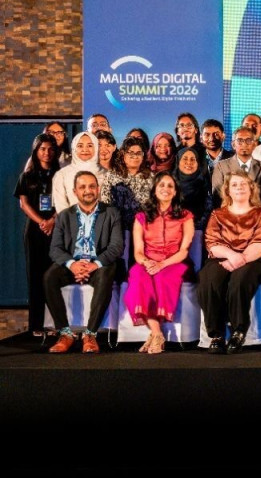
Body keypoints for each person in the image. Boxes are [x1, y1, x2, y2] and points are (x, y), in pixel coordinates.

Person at [44, 171, 124, 353]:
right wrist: (72, 265)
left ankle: (90, 334)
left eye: (91, 186)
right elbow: (55, 249)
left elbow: (116, 247)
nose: (88, 190)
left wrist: (94, 265)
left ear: (98, 189)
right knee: (49, 277)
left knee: (108, 270)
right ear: (75, 191)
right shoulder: (64, 216)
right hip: (73, 264)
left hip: (98, 265)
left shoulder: (112, 213)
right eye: (82, 187)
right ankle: (65, 334)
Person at [199, 172, 261, 354]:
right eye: (234, 185)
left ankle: (238, 332)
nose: (239, 187)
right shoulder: (217, 214)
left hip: (252, 259)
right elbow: (212, 242)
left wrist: (239, 260)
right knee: (209, 278)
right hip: (222, 257)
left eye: (243, 184)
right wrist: (231, 256)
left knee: (239, 280)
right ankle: (216, 334)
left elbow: (260, 243)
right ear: (228, 191)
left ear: (251, 189)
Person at [123, 172, 195, 355]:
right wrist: (147, 263)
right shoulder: (141, 217)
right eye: (161, 185)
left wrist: (162, 264)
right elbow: (138, 251)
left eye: (170, 186)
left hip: (175, 261)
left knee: (162, 278)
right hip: (147, 261)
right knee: (138, 276)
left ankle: (154, 335)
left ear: (175, 192)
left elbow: (184, 251)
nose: (166, 189)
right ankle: (157, 333)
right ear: (154, 189)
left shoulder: (186, 216)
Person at [14, 133, 60, 333]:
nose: (46, 152)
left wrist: (52, 221)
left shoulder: (60, 174)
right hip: (34, 230)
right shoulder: (27, 176)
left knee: (53, 276)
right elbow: (24, 204)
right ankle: (36, 325)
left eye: (50, 149)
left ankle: (56, 324)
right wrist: (42, 222)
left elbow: (66, 202)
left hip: (56, 229)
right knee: (35, 276)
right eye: (42, 149)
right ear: (36, 151)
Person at [101, 135, 154, 230]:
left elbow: (154, 206)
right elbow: (105, 204)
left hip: (144, 227)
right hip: (117, 227)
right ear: (123, 155)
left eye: (139, 153)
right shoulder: (111, 176)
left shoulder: (150, 177)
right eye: (131, 153)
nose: (135, 156)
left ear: (143, 156)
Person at [211, 127, 261, 208]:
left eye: (249, 140)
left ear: (255, 144)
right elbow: (217, 196)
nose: (244, 144)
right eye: (240, 141)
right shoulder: (221, 166)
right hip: (228, 212)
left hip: (257, 212)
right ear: (233, 145)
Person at [52, 131, 99, 213]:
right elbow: (61, 206)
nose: (85, 150)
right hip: (70, 220)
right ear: (74, 148)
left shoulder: (105, 173)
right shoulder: (62, 175)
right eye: (80, 146)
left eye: (90, 146)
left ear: (96, 148)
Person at [174, 145, 213, 229]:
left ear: (198, 163)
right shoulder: (169, 184)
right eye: (185, 159)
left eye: (193, 159)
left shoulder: (206, 185)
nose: (189, 162)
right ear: (178, 161)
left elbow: (209, 215)